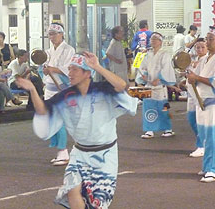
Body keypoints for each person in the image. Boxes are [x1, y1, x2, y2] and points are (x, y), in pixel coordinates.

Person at [15, 51, 138, 208]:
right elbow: (43, 111)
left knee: (96, 203)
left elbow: (121, 85)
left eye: (74, 69)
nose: (70, 73)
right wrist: (32, 90)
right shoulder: (66, 95)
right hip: (79, 154)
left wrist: (97, 66)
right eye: (69, 69)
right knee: (72, 190)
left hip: (105, 156)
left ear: (87, 73)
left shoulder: (103, 89)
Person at [43, 22, 75, 166]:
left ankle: (63, 151)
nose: (52, 37)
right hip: (49, 89)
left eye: (54, 34)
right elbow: (45, 69)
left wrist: (52, 69)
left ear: (61, 34)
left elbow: (69, 69)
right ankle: (61, 150)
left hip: (62, 89)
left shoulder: (69, 50)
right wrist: (45, 70)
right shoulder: (48, 51)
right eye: (50, 34)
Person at [186, 26, 215, 182]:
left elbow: (212, 81)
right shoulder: (204, 59)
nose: (208, 42)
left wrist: (196, 78)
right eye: (207, 38)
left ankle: (212, 168)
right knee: (204, 136)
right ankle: (207, 166)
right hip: (202, 101)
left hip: (213, 102)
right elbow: (197, 79)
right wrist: (191, 78)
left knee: (212, 136)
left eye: (211, 39)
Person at [136, 32, 176, 139]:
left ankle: (168, 129)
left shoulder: (165, 54)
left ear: (160, 42)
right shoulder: (147, 54)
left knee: (163, 107)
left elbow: (166, 68)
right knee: (148, 106)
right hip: (149, 85)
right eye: (152, 39)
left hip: (160, 86)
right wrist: (143, 76)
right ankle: (149, 129)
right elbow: (143, 66)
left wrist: (158, 79)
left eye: (155, 39)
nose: (152, 41)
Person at [186, 38, 207, 158]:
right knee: (192, 119)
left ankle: (202, 145)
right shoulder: (195, 60)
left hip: (202, 95)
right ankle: (202, 144)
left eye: (202, 47)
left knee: (201, 121)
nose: (200, 49)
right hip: (191, 94)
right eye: (198, 47)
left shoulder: (207, 60)